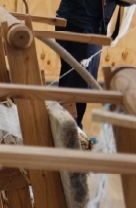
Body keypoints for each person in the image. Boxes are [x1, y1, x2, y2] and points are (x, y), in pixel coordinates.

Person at [55, 0, 130, 129]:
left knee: (71, 84)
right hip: (82, 27)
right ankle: (70, 133)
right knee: (76, 89)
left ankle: (67, 131)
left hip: (74, 22)